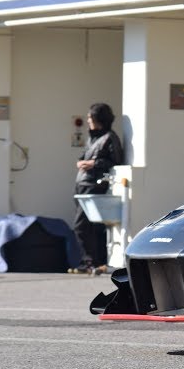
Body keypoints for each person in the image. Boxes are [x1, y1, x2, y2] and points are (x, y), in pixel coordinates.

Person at [71, 102, 124, 274]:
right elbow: (86, 154)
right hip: (82, 185)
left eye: (90, 117)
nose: (88, 121)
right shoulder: (92, 137)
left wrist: (94, 164)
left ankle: (91, 262)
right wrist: (82, 161)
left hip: (94, 187)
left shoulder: (110, 137)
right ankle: (88, 262)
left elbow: (115, 160)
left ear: (98, 119)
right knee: (88, 226)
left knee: (82, 226)